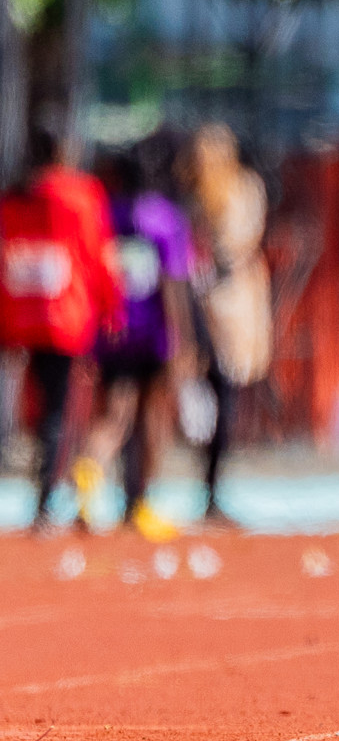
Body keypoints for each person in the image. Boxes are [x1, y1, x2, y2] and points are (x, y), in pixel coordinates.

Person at [0, 127, 123, 534]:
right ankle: (48, 500)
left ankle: (46, 495)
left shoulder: (15, 197)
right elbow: (97, 253)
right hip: (67, 318)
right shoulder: (80, 194)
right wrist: (112, 309)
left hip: (22, 316)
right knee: (60, 411)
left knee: (39, 409)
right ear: (64, 149)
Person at [72, 141, 193, 542]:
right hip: (153, 334)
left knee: (112, 416)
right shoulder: (164, 219)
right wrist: (183, 340)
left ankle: (91, 467)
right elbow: (174, 284)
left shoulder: (105, 214)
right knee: (150, 420)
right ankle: (140, 503)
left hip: (113, 331)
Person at [183, 124, 272, 525]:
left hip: (230, 302)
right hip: (203, 303)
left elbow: (239, 246)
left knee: (224, 395)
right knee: (210, 395)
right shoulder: (192, 194)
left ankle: (212, 490)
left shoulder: (242, 189)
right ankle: (208, 490)